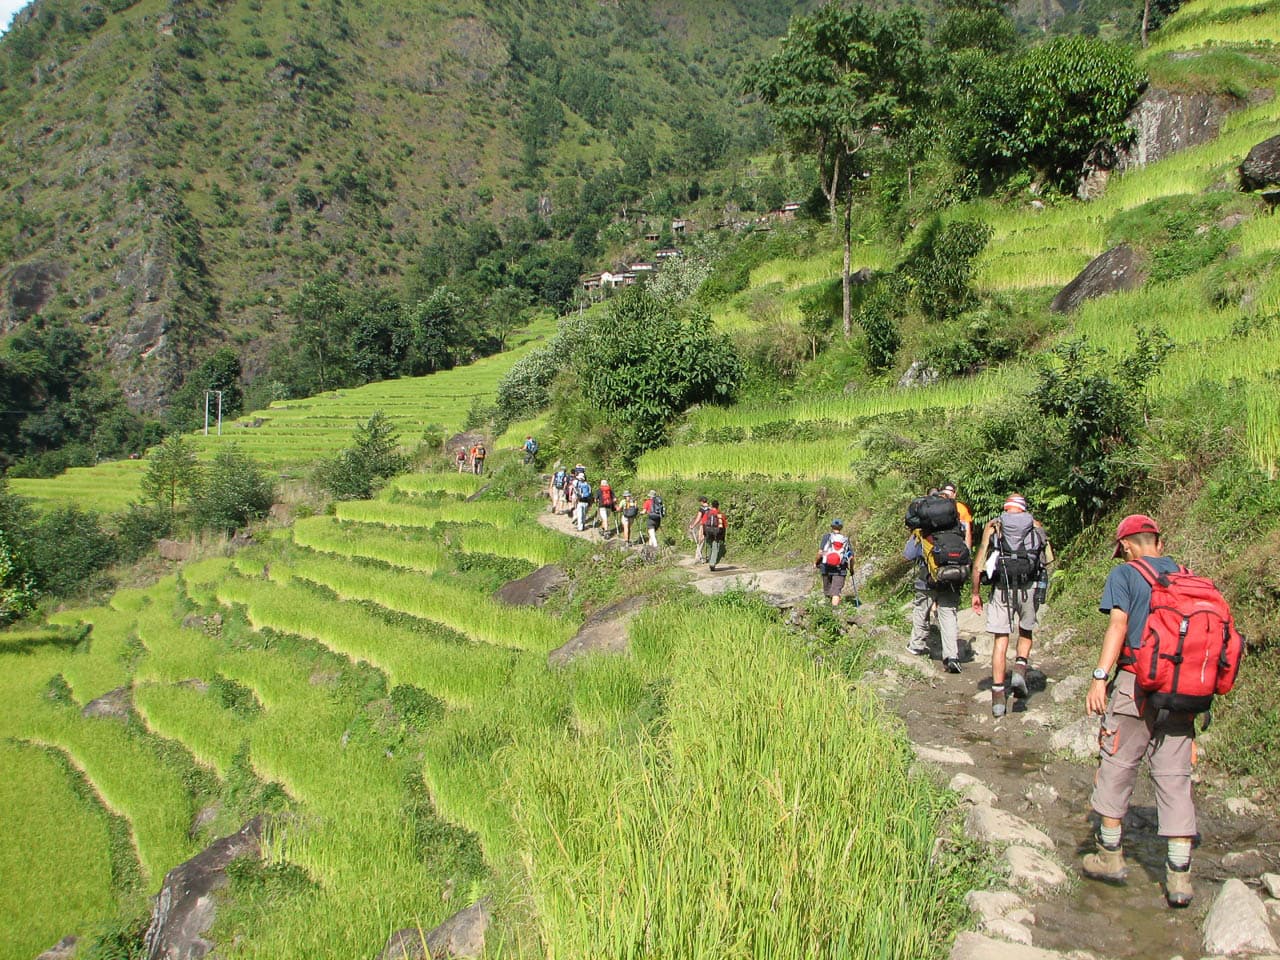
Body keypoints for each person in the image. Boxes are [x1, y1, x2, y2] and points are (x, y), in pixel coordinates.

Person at [1082, 515, 1195, 908]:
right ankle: (1179, 878)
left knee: (1117, 762)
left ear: (1128, 545)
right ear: (1159, 543)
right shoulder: (1188, 577)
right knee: (1175, 776)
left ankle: (1110, 856)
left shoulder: (1125, 574)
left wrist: (1100, 676)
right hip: (1182, 690)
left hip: (1136, 683)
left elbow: (1117, 626)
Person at [971, 494, 1054, 718]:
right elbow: (1048, 559)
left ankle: (998, 698)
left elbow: (979, 563)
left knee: (1001, 640)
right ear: (1024, 509)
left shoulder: (995, 527)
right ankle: (1019, 668)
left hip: (1001, 590)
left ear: (1006, 509)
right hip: (1028, 588)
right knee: (1026, 631)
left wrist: (976, 592)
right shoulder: (1035, 526)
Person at [905, 525, 963, 674]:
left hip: (927, 579)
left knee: (921, 610)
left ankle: (916, 646)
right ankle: (952, 657)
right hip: (952, 578)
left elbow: (908, 554)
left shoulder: (922, 532)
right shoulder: (956, 529)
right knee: (949, 615)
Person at [816, 519, 852, 607]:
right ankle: (834, 613)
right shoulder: (845, 540)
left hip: (826, 567)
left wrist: (816, 562)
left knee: (827, 591)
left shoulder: (826, 537)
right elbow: (851, 557)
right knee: (836, 592)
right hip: (840, 569)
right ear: (841, 528)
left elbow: (820, 553)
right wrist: (852, 569)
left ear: (832, 527)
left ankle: (828, 614)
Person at [941, 482, 973, 548]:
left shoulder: (961, 508)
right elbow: (967, 532)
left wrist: (968, 550)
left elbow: (967, 532)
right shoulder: (961, 507)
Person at [703, 499, 726, 570]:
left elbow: (703, 523)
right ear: (718, 506)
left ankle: (710, 561)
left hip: (708, 533)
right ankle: (712, 563)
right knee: (715, 549)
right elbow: (724, 526)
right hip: (717, 534)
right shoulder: (720, 514)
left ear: (712, 505)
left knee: (710, 548)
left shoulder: (707, 513)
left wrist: (704, 534)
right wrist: (723, 537)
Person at [688, 497, 710, 562]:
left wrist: (693, 525)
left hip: (703, 525)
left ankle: (698, 556)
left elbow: (698, 518)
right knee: (705, 540)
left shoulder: (701, 509)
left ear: (701, 502)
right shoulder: (710, 508)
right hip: (710, 526)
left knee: (700, 540)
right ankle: (704, 556)